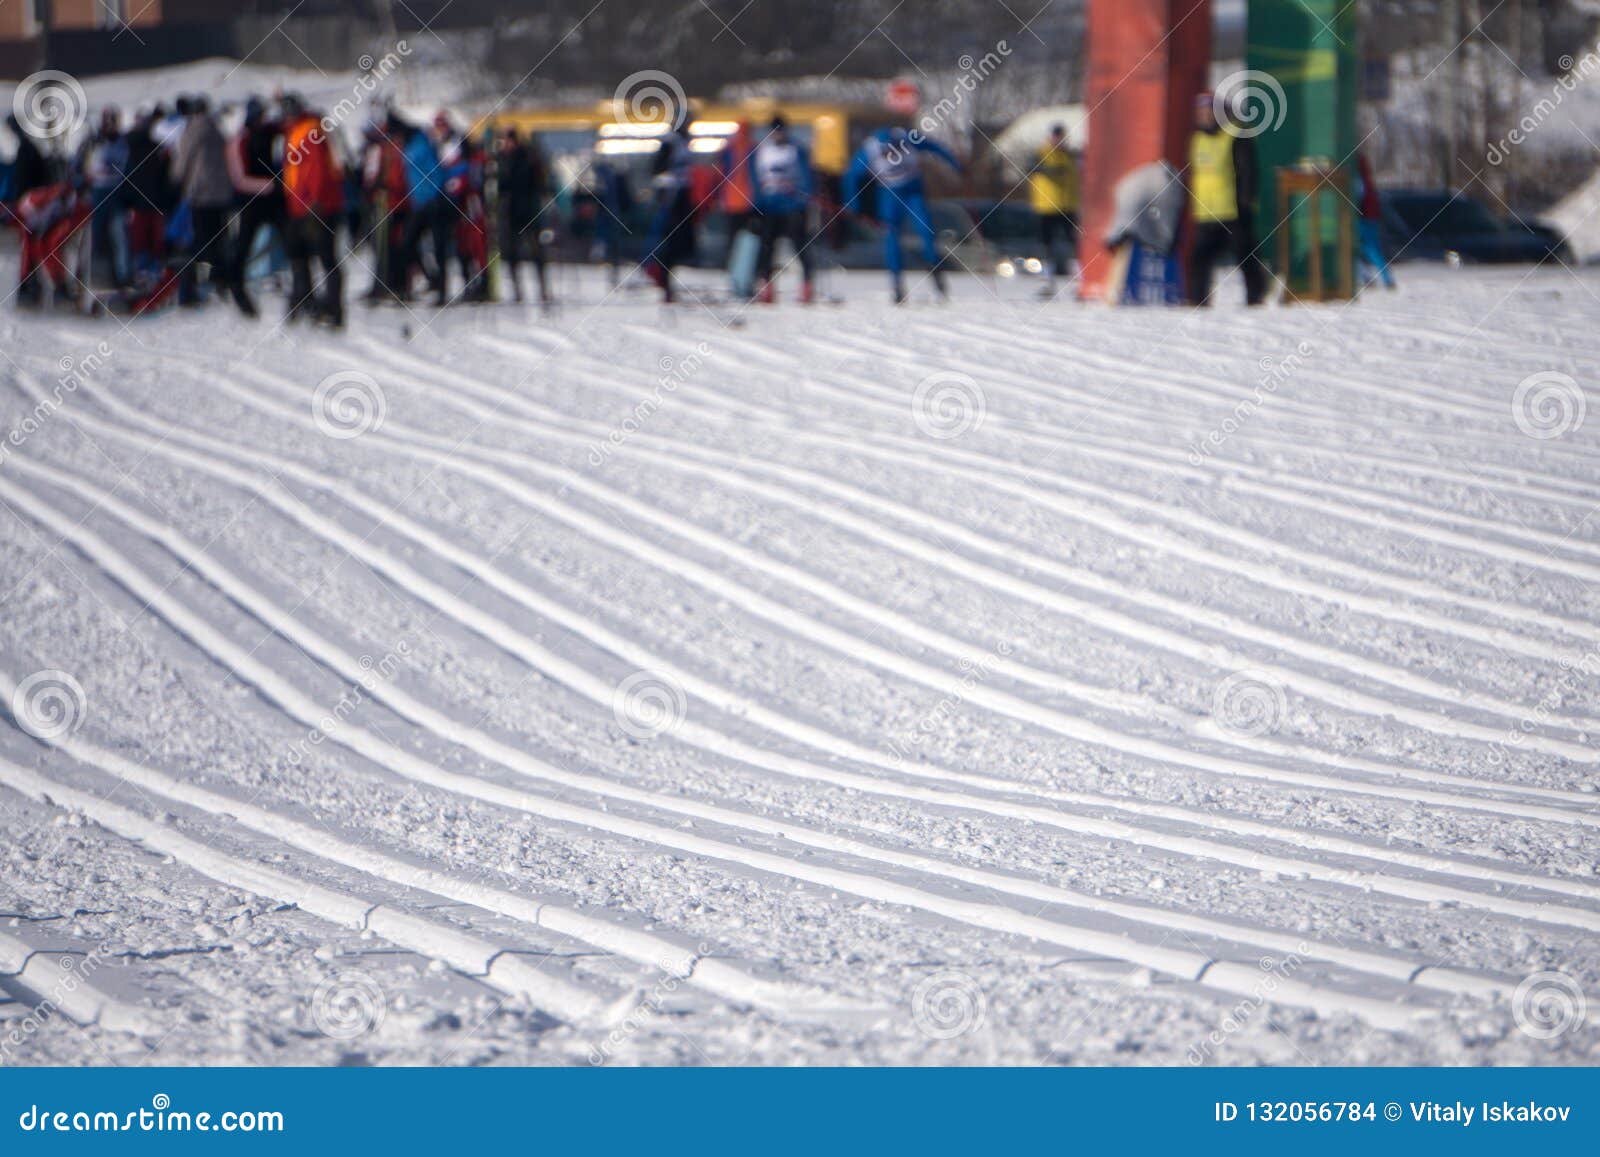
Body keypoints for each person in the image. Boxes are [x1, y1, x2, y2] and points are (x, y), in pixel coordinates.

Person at [843, 126, 961, 303]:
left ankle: (935, 271)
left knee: (926, 231)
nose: (892, 153)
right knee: (892, 235)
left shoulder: (909, 140)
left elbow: (936, 148)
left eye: (895, 149)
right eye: (887, 151)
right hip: (889, 193)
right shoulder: (870, 150)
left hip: (913, 191)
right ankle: (897, 282)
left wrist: (955, 165)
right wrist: (853, 204)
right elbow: (851, 176)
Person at [171, 95, 255, 314]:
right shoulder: (218, 130)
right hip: (222, 194)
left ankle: (189, 289)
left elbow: (183, 161)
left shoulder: (193, 130)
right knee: (220, 238)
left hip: (201, 194)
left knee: (196, 239)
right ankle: (221, 280)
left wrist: (175, 180)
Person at [1185, 92, 1266, 307]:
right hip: (1206, 210)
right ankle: (1197, 301)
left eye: (1209, 111)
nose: (1205, 116)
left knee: (1246, 256)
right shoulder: (1198, 138)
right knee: (1200, 259)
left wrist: (1246, 200)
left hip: (1233, 209)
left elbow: (1248, 170)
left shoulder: (1235, 134)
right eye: (1201, 112)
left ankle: (1256, 298)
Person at [279, 94, 345, 327]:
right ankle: (307, 300)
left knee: (326, 257)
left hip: (317, 207)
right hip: (300, 206)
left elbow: (317, 169)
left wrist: (314, 203)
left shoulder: (309, 130)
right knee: (298, 252)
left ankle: (333, 310)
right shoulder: (295, 130)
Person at [749, 114, 815, 304]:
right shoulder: (762, 151)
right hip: (770, 206)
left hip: (792, 205)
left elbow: (807, 179)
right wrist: (757, 203)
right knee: (767, 247)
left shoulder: (796, 150)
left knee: (800, 245)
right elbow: (755, 179)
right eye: (775, 131)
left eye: (781, 131)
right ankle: (766, 286)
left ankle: (806, 285)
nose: (778, 135)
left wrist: (803, 199)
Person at [227, 96, 283, 293]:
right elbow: (239, 179)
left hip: (272, 200)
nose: (262, 119)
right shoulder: (241, 140)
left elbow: (283, 126)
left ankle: (302, 289)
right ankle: (235, 284)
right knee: (244, 244)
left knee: (291, 239)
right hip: (250, 201)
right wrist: (271, 185)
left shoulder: (267, 132)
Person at [642, 106, 697, 303]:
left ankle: (666, 279)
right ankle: (660, 277)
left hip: (682, 195)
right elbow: (656, 169)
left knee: (681, 241)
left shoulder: (684, 142)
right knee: (668, 240)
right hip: (669, 196)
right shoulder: (670, 142)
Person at [396, 117, 450, 304]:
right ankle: (432, 280)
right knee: (408, 244)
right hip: (419, 202)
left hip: (432, 202)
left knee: (437, 247)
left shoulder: (421, 146)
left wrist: (435, 194)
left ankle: (441, 289)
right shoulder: (414, 145)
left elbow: (436, 171)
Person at [496, 127, 552, 306]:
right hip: (511, 212)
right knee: (512, 253)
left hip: (529, 211)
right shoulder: (502, 159)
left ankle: (543, 289)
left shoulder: (526, 158)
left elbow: (537, 182)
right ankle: (517, 290)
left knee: (536, 252)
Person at [78, 107, 131, 288]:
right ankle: (90, 276)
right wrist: (81, 184)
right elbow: (77, 166)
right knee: (94, 236)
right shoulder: (92, 142)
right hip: (97, 193)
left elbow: (129, 167)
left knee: (120, 235)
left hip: (116, 192)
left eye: (113, 121)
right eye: (107, 121)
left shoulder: (123, 142)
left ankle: (122, 276)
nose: (110, 125)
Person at [1029, 123, 1078, 293]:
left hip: (1068, 206)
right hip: (1046, 207)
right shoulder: (1041, 154)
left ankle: (1078, 281)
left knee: (1074, 243)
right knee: (1046, 245)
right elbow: (1034, 168)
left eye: (1061, 136)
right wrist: (1052, 171)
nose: (1059, 140)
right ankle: (1046, 281)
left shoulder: (1071, 155)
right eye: (1056, 136)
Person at [1355, 151, 1395, 291]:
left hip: (1361, 218)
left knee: (1360, 248)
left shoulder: (1358, 180)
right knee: (1371, 248)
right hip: (1371, 216)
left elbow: (1358, 197)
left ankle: (1368, 277)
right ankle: (1384, 278)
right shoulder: (1367, 180)